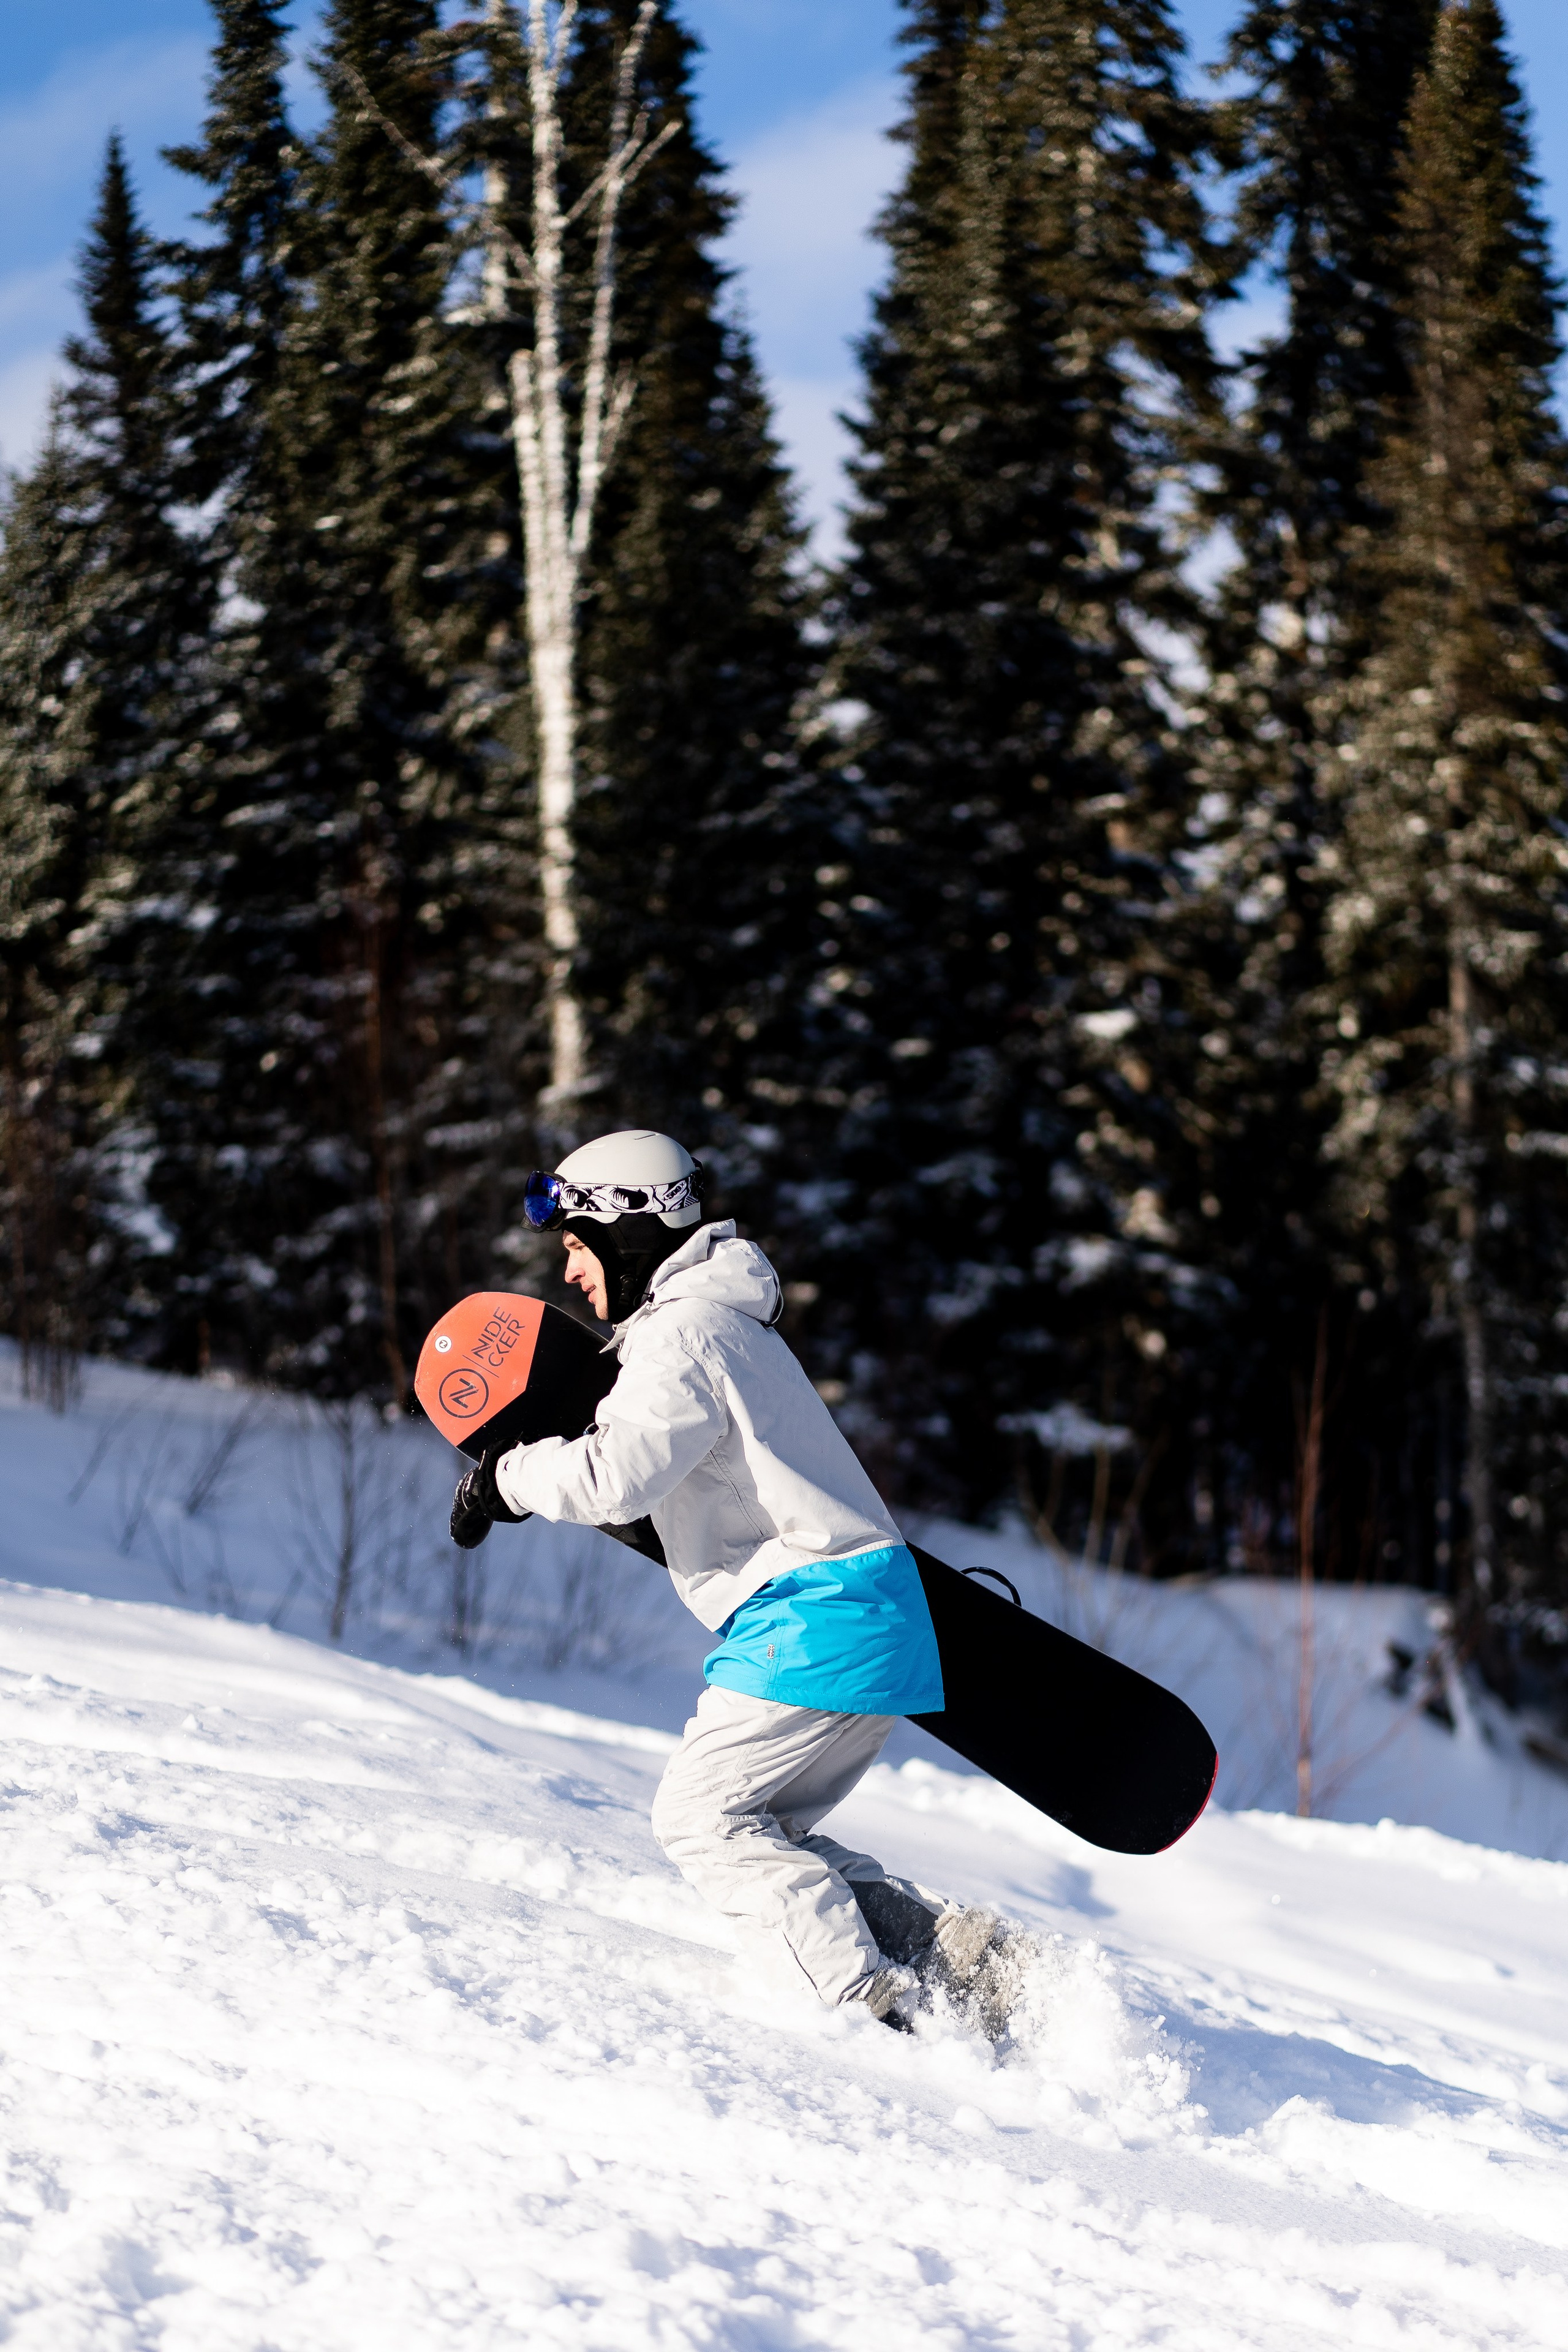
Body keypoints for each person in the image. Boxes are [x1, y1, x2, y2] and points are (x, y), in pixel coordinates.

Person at [448, 1128, 996, 2027]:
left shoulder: (684, 1335)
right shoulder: (717, 1326)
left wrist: (503, 1480)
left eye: (578, 1249)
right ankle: (957, 1965)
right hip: (870, 1612)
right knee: (769, 1834)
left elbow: (612, 1476)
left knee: (701, 1820)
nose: (573, 1276)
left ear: (626, 1232)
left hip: (816, 1614)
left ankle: (867, 2013)